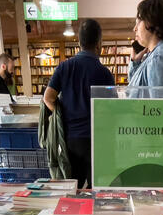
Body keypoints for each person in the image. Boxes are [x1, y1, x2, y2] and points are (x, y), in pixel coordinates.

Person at [44, 19, 114, 188]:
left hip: (70, 139)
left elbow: (48, 98)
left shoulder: (64, 67)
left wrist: (61, 116)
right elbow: (111, 108)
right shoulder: (104, 73)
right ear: (99, 44)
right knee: (95, 187)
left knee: (73, 186)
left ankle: (74, 212)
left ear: (79, 43)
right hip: (95, 140)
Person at [129, 0, 163, 87]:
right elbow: (135, 87)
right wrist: (135, 61)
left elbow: (156, 101)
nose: (135, 29)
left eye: (138, 22)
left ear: (150, 21)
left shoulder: (157, 58)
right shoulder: (154, 54)